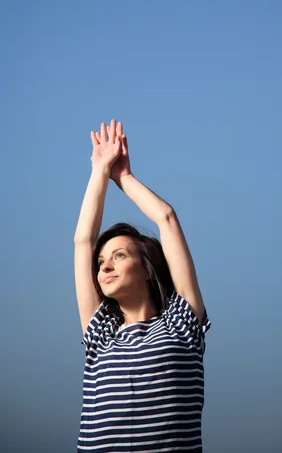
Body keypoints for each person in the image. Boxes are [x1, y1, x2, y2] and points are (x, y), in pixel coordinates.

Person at [74, 119, 211, 452]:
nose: (104, 264)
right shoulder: (101, 332)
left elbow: (165, 218)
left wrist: (122, 177)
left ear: (147, 269)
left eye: (119, 255)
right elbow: (83, 241)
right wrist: (98, 171)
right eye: (102, 260)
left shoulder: (182, 324)